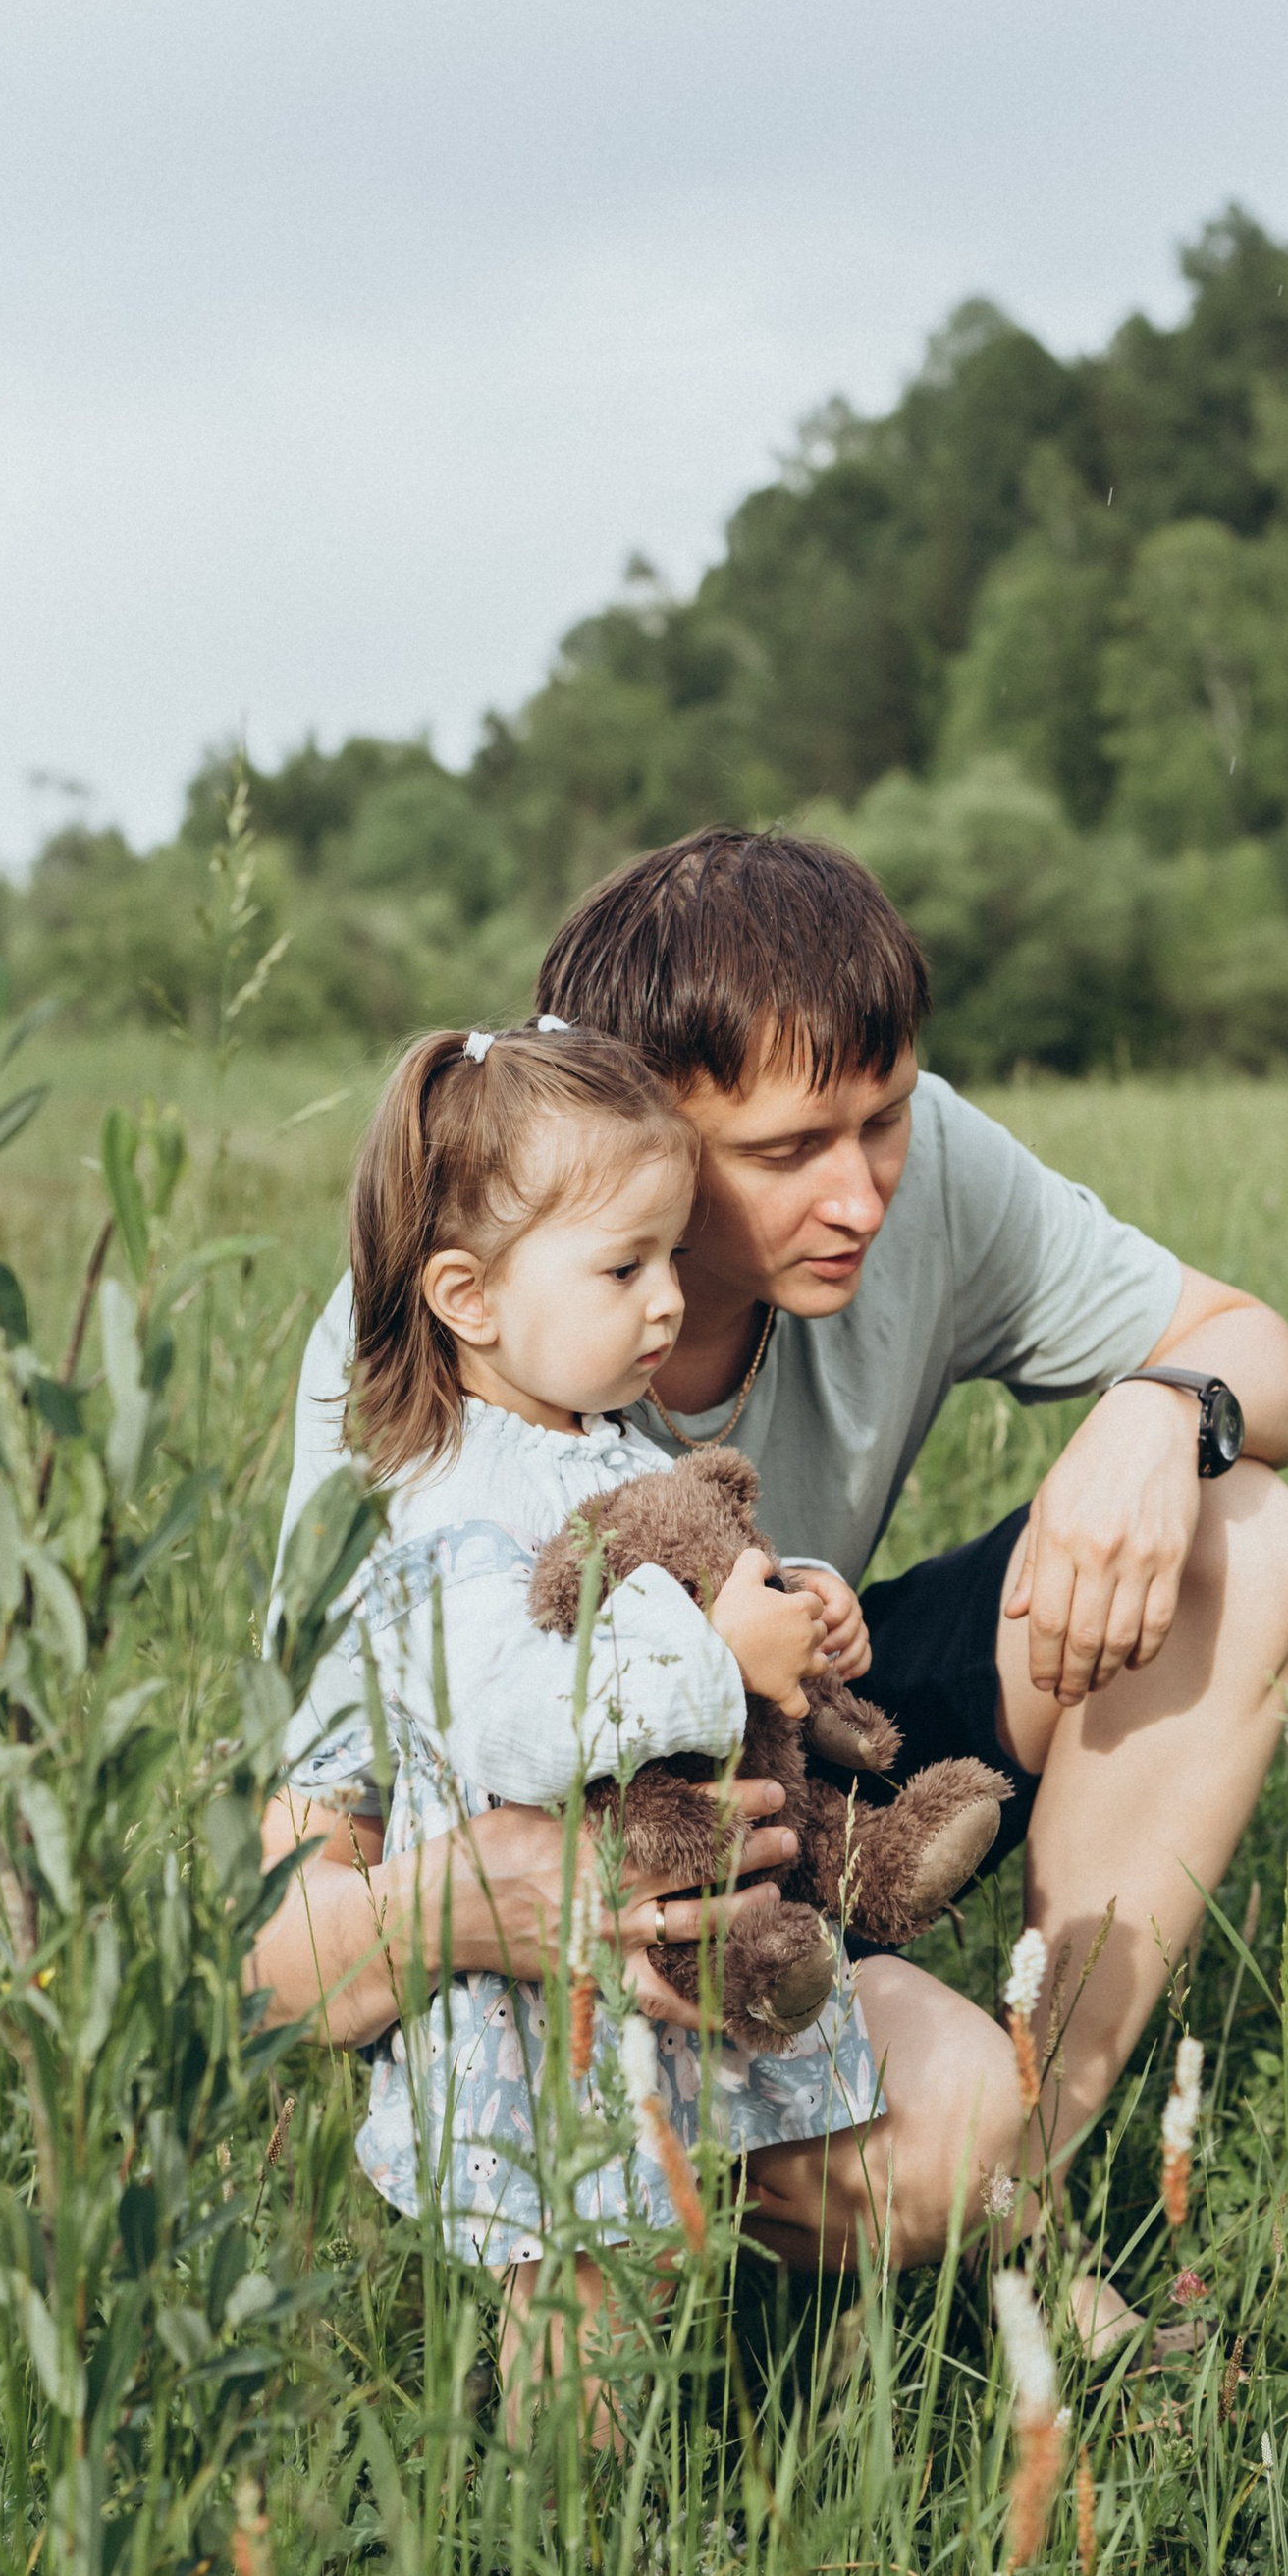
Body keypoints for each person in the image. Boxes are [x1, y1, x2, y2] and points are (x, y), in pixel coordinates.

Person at [251, 830, 1288, 2340]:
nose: (862, 1197)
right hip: (572, 1878)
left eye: (879, 1121)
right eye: (781, 1157)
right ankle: (675, 2225)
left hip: (799, 1744)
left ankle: (1039, 2160)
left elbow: (1281, 1363)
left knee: (1246, 1530)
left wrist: (1166, 1413)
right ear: (644, 1133)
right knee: (912, 2142)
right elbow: (287, 1945)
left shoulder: (919, 1155)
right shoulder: (438, 1349)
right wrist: (481, 1905)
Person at [273, 1013, 880, 2402]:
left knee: (652, 2241)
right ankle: (561, 2539)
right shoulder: (450, 1503)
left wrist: (799, 1600)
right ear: (469, 1298)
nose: (669, 1299)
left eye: (673, 1256)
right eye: (625, 1266)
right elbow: (519, 1723)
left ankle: (680, 2451)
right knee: (575, 2276)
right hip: (525, 1991)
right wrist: (724, 1654)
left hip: (620, 1944)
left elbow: (684, 1573)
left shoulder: (590, 1436)